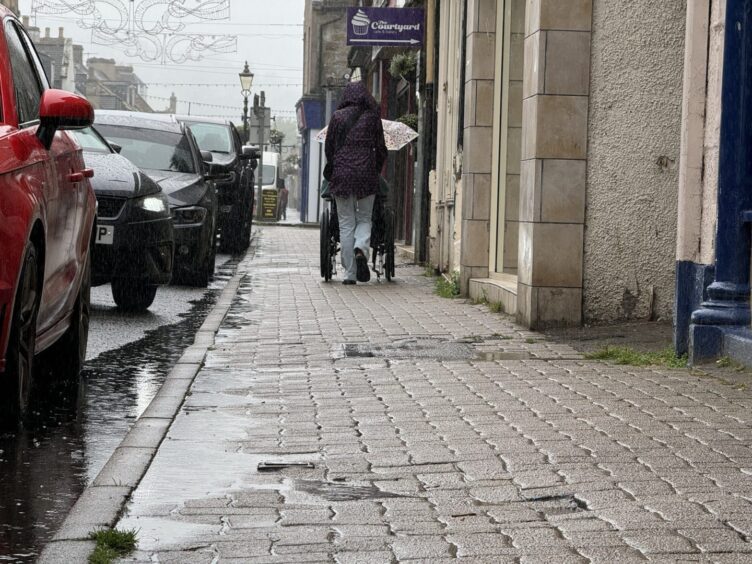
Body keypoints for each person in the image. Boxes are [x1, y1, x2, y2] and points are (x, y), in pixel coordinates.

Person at [324, 81, 388, 285]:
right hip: (366, 174)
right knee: (364, 218)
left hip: (342, 175)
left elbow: (329, 148)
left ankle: (350, 274)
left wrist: (333, 167)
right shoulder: (372, 118)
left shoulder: (337, 117)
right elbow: (381, 148)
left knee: (346, 223)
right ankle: (361, 248)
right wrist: (375, 169)